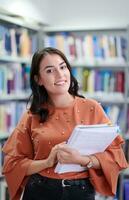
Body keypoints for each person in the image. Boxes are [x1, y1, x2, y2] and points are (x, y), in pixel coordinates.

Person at [2, 47, 128, 200]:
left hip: (80, 192)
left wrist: (81, 160)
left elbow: (115, 156)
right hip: (39, 190)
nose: (60, 74)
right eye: (49, 71)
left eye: (62, 67)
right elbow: (13, 164)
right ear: (38, 79)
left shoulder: (92, 108)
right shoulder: (32, 115)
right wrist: (47, 162)